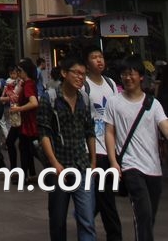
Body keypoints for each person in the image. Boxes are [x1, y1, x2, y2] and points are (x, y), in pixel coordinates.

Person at [105, 54, 168, 241]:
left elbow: (165, 126)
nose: (127, 77)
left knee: (148, 216)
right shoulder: (114, 102)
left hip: (153, 168)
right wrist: (113, 162)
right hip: (130, 166)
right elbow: (109, 132)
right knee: (144, 213)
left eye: (131, 73)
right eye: (124, 74)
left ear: (140, 76)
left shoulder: (153, 104)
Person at [38, 54, 97, 241]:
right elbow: (44, 133)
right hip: (59, 166)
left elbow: (90, 132)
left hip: (82, 165)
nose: (80, 77)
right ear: (64, 73)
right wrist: (54, 163)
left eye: (83, 74)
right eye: (76, 73)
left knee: (87, 219)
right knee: (58, 219)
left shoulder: (84, 99)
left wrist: (93, 162)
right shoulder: (50, 98)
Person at [84, 46, 122, 241]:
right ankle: (115, 235)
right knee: (107, 196)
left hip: (111, 147)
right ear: (87, 63)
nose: (99, 60)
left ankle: (85, 214)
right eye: (94, 57)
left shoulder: (111, 83)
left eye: (101, 56)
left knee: (104, 194)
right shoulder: (84, 86)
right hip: (94, 149)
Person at [14, 57, 39, 181]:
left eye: (20, 71)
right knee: (28, 148)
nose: (18, 73)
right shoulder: (28, 83)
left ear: (26, 71)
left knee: (26, 148)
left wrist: (18, 109)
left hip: (29, 122)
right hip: (28, 122)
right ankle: (30, 174)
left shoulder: (28, 84)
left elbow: (34, 103)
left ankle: (24, 175)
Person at [1, 63, 23, 169]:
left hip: (19, 114)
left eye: (18, 71)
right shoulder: (17, 82)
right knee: (24, 145)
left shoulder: (22, 83)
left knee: (15, 142)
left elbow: (14, 96)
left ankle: (16, 170)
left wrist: (2, 98)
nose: (17, 74)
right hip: (17, 113)